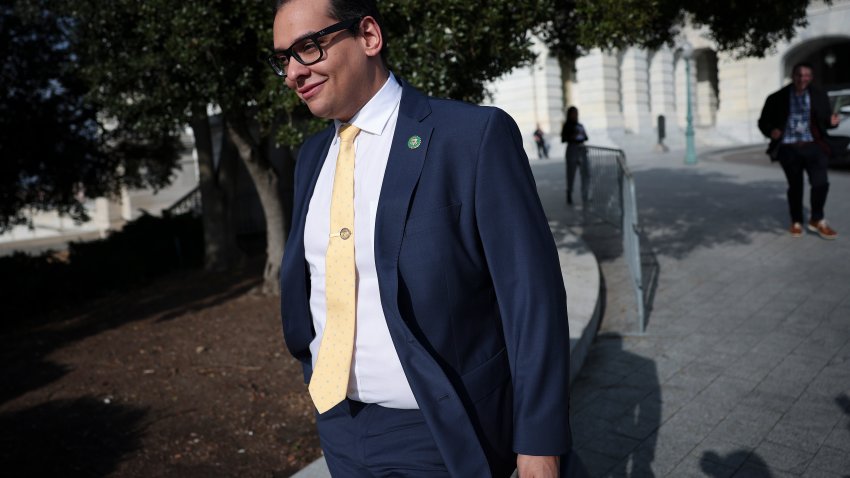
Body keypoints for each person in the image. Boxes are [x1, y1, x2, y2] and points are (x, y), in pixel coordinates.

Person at [271, 0, 577, 476]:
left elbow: (530, 296)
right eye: (283, 58)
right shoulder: (311, 157)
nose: (293, 72)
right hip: (338, 423)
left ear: (369, 37)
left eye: (308, 49)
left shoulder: (471, 136)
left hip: (440, 430)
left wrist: (540, 441)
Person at [758, 62, 841, 239]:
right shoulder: (777, 98)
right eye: (799, 75)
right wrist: (771, 131)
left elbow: (825, 121)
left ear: (811, 77)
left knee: (821, 184)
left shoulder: (818, 95)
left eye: (806, 76)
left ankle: (817, 219)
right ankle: (796, 221)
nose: (802, 79)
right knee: (795, 187)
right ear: (793, 76)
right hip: (789, 148)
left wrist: (832, 122)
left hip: (814, 146)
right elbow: (763, 122)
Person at [560, 107, 589, 205]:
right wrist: (572, 135)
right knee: (571, 174)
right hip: (572, 149)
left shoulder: (580, 125)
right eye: (574, 113)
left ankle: (585, 194)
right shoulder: (567, 126)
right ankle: (569, 192)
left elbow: (585, 137)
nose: (575, 115)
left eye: (576, 113)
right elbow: (563, 138)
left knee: (585, 173)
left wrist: (582, 134)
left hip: (581, 149)